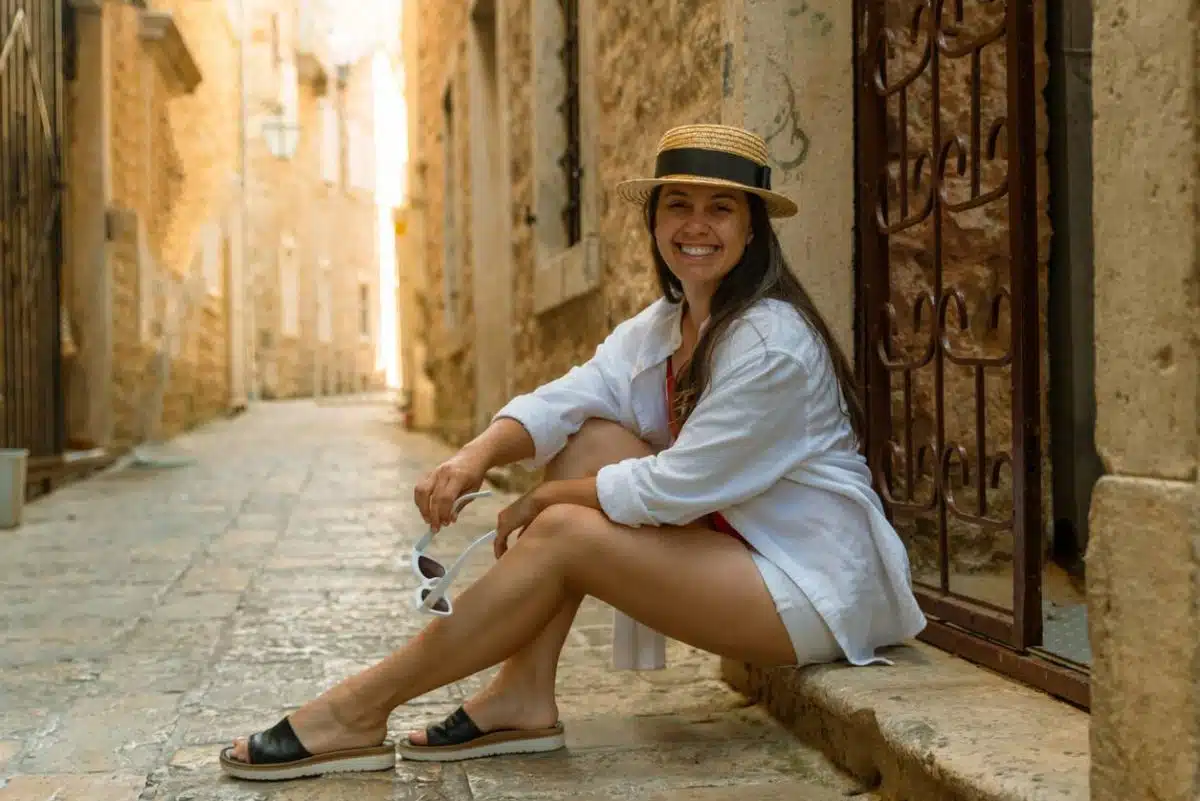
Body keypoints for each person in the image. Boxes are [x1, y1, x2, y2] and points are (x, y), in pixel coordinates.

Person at [218, 123, 926, 781]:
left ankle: (359, 706)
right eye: (677, 205)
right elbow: (569, 397)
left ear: (752, 230)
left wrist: (544, 498)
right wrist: (474, 457)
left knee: (562, 527)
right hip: (741, 547)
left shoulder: (770, 342)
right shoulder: (666, 325)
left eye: (721, 209)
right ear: (653, 223)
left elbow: (671, 487)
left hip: (811, 586)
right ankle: (521, 693)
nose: (696, 226)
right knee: (587, 437)